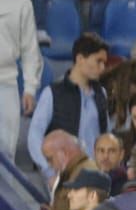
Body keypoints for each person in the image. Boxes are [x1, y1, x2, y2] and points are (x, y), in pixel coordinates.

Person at [28, 32, 107, 171]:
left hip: (95, 173)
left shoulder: (101, 94)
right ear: (80, 59)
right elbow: (34, 136)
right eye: (98, 61)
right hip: (65, 174)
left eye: (104, 63)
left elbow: (105, 135)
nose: (103, 68)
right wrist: (48, 170)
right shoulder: (52, 93)